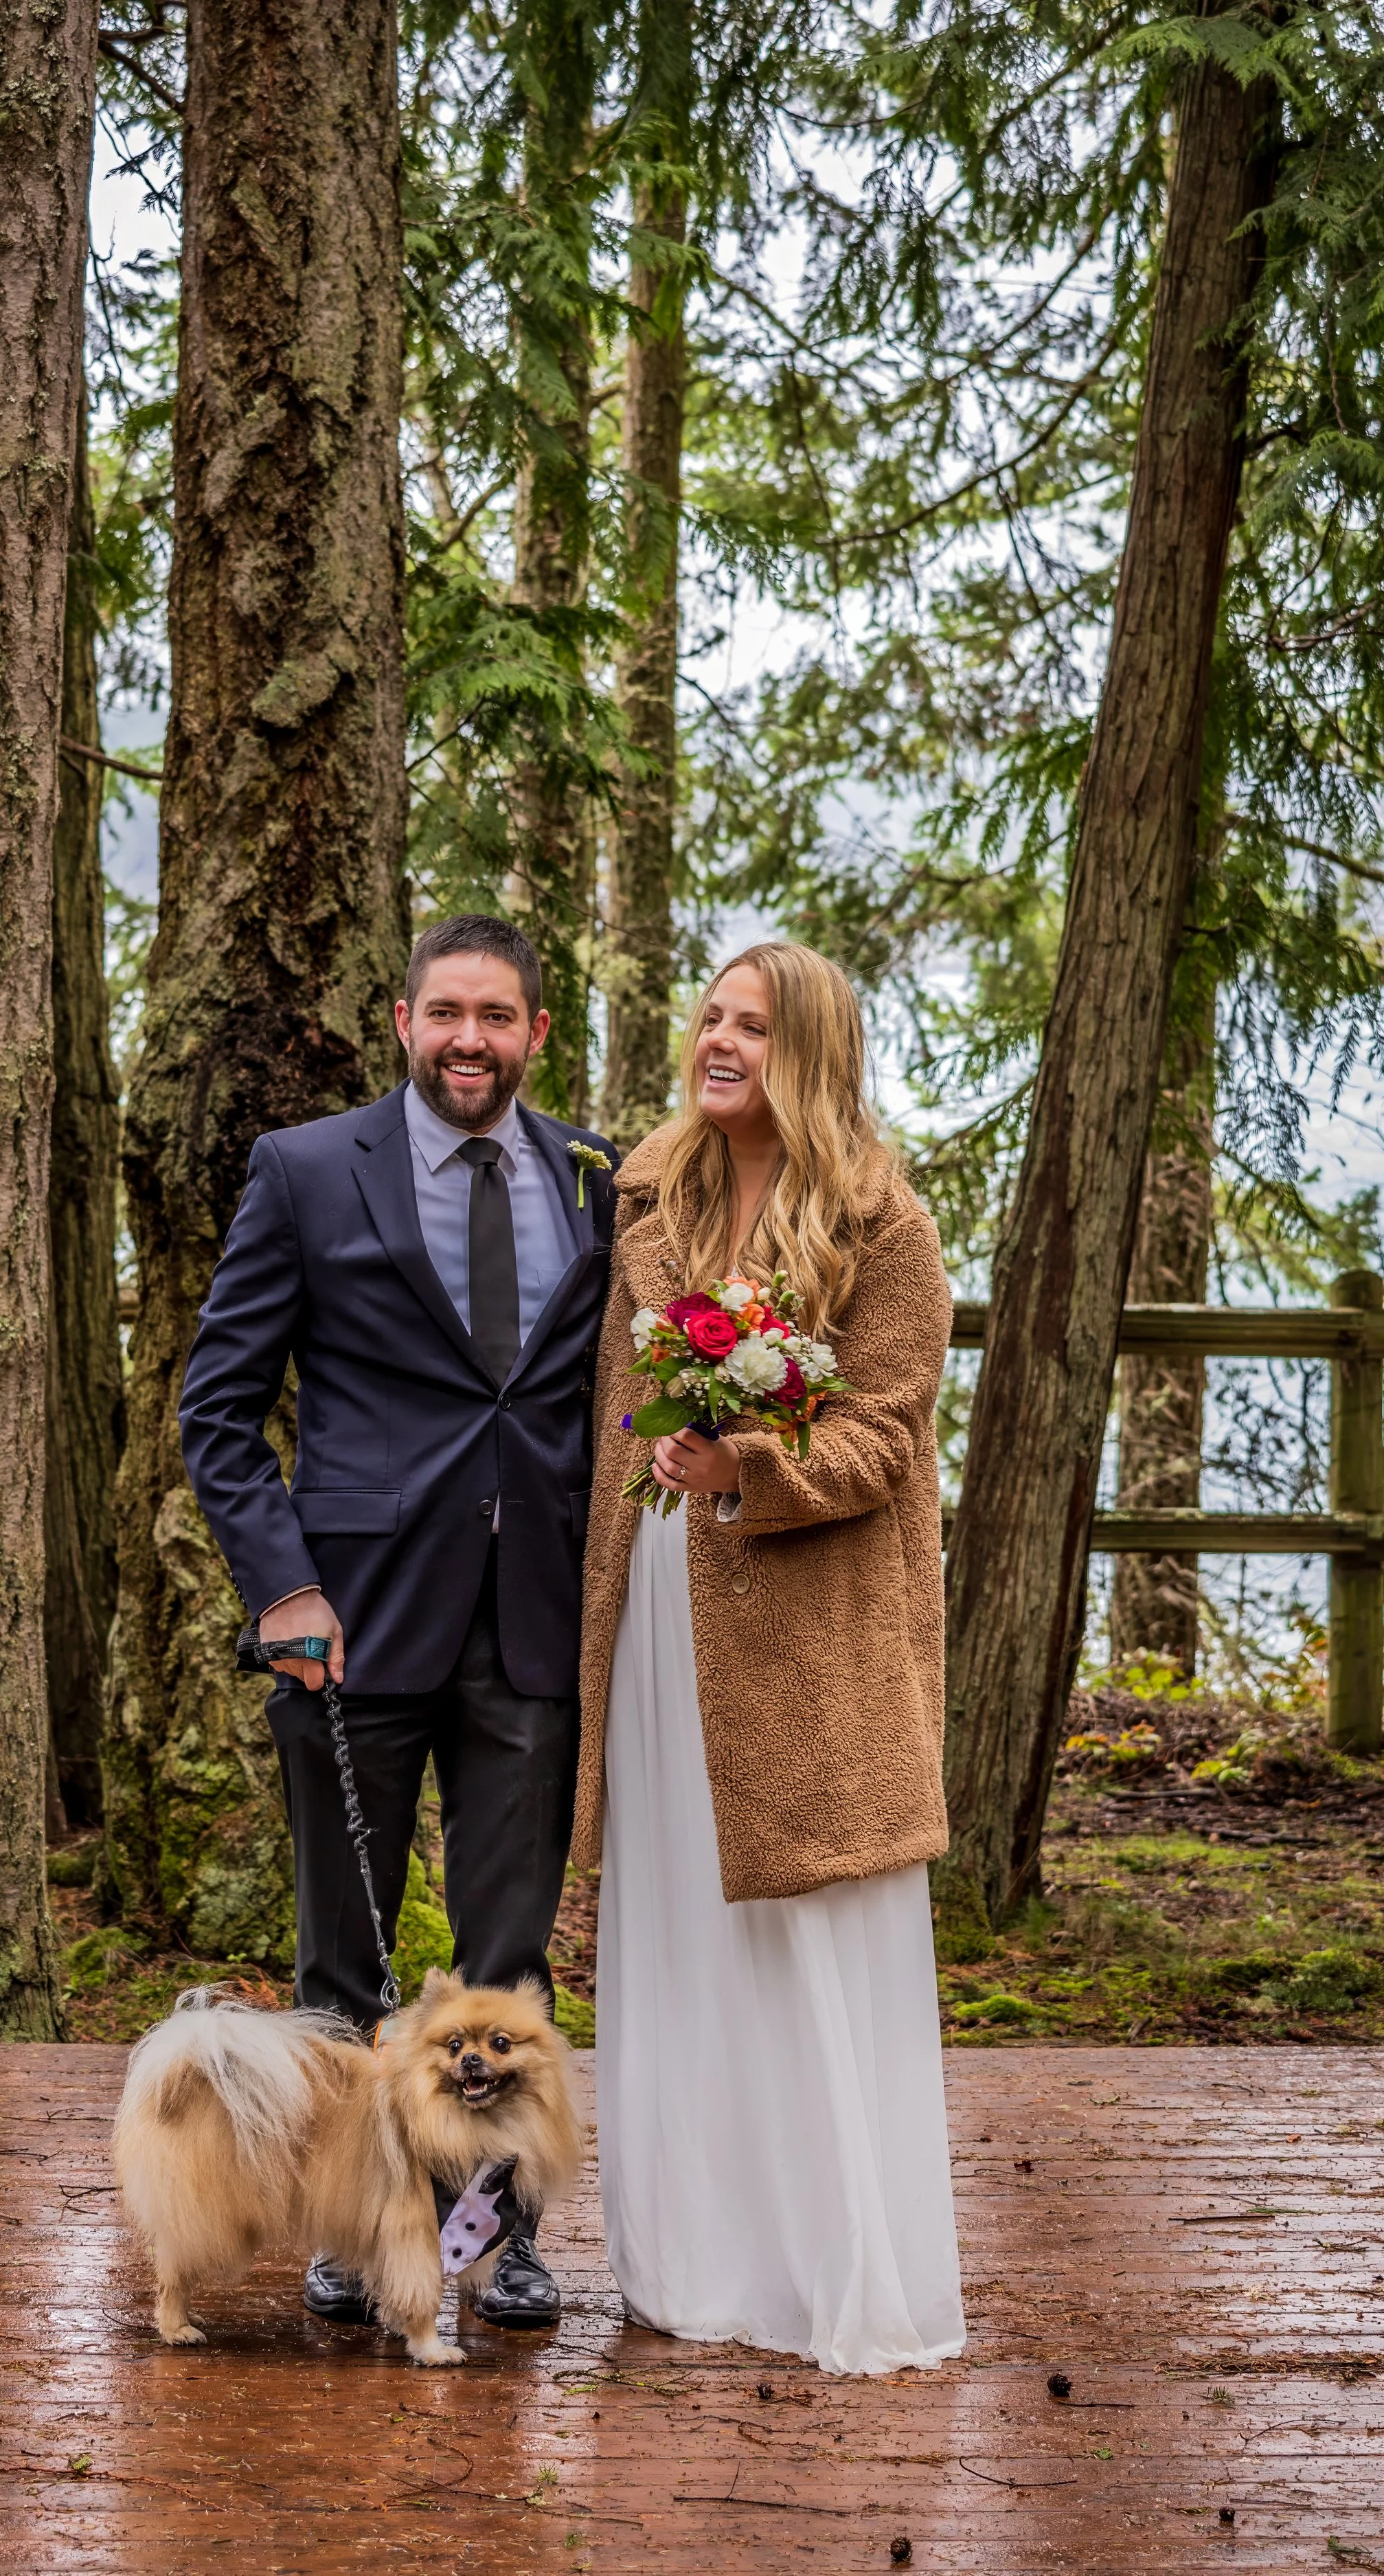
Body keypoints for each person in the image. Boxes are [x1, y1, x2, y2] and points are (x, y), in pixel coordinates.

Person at [179, 913, 615, 2331]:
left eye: (496, 1015)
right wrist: (282, 1589)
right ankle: (345, 2228)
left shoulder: (600, 1184)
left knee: (507, 1964)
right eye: (445, 1013)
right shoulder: (304, 1172)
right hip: (347, 1626)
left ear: (536, 1032)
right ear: (401, 1018)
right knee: (338, 1966)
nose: (469, 1040)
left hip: (534, 1627)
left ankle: (499, 2240)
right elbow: (217, 1411)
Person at [573, 942, 966, 2373]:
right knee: (674, 1927)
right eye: (709, 1018)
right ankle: (692, 2258)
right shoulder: (646, 1196)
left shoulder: (882, 1226)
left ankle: (825, 2269)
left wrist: (743, 1462)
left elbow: (885, 1434)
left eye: (750, 1026)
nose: (716, 1042)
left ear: (808, 1050)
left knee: (795, 1935)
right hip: (659, 1617)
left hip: (803, 1634)